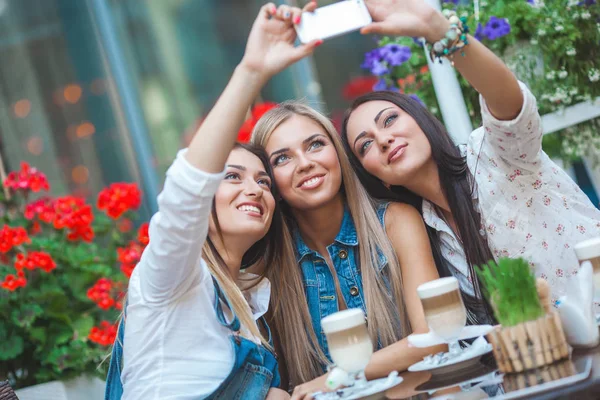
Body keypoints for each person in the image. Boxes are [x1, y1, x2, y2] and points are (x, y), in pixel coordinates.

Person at [103, 3, 323, 399]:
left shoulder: (252, 305)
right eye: (231, 177)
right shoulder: (176, 276)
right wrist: (251, 72)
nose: (255, 189)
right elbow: (187, 190)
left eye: (263, 182)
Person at [341, 0, 600, 308]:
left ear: (421, 120)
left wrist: (439, 31)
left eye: (390, 119)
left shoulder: (490, 155)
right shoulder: (424, 235)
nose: (383, 139)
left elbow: (508, 100)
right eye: (365, 145)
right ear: (375, 177)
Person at [251, 102, 447, 397]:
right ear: (269, 182)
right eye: (282, 159)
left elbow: (435, 338)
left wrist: (338, 378)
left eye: (315, 144)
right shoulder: (269, 268)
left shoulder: (395, 222)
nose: (305, 163)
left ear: (338, 153)